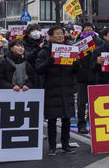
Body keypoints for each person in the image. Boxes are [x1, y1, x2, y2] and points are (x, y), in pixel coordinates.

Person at [35, 26, 79, 156]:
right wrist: (49, 62)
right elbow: (38, 69)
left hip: (67, 88)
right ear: (50, 36)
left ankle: (66, 145)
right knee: (52, 120)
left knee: (67, 119)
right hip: (51, 89)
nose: (60, 36)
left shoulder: (70, 49)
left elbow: (78, 71)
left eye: (62, 33)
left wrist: (77, 64)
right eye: (57, 34)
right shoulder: (45, 51)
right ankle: (52, 147)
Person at [74, 22, 103, 134]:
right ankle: (81, 124)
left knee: (94, 102)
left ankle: (93, 123)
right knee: (81, 103)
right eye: (85, 29)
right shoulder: (78, 43)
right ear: (82, 31)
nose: (87, 31)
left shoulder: (99, 42)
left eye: (90, 29)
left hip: (95, 75)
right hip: (82, 76)